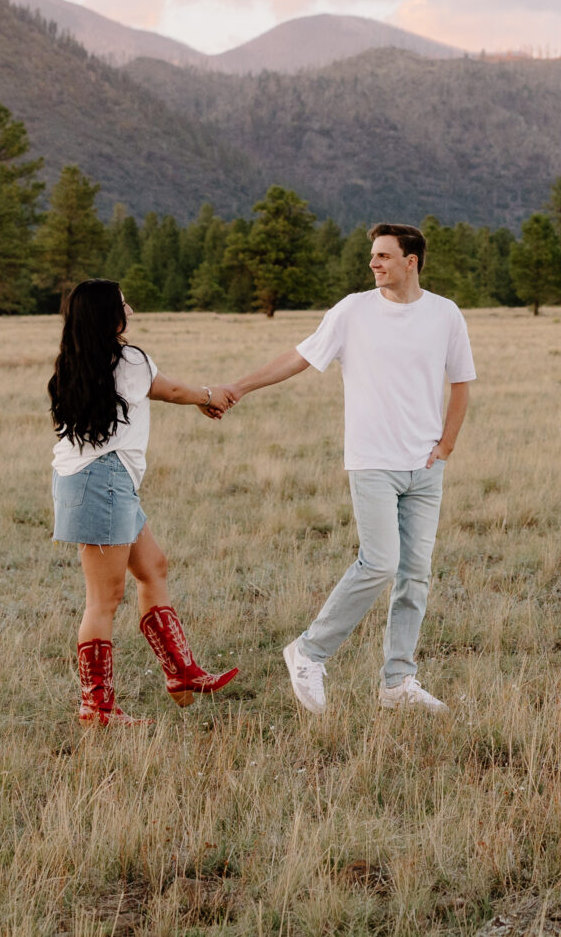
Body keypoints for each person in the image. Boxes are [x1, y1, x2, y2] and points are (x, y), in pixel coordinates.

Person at [196, 223, 473, 715]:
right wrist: (237, 387)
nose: (374, 263)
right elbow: (299, 358)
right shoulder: (353, 311)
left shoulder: (445, 314)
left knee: (416, 576)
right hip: (373, 462)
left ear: (412, 261)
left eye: (384, 256)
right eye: (372, 255)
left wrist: (446, 445)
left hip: (426, 467)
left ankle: (398, 682)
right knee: (380, 562)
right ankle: (309, 651)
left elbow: (461, 383)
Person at [49, 278, 237, 725]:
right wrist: (210, 397)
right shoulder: (129, 359)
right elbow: (169, 389)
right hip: (104, 482)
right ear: (107, 315)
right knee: (104, 599)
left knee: (153, 568)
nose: (130, 309)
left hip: (99, 482)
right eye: (123, 303)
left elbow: (162, 389)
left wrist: (205, 398)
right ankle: (96, 706)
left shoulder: (73, 364)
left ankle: (182, 673)